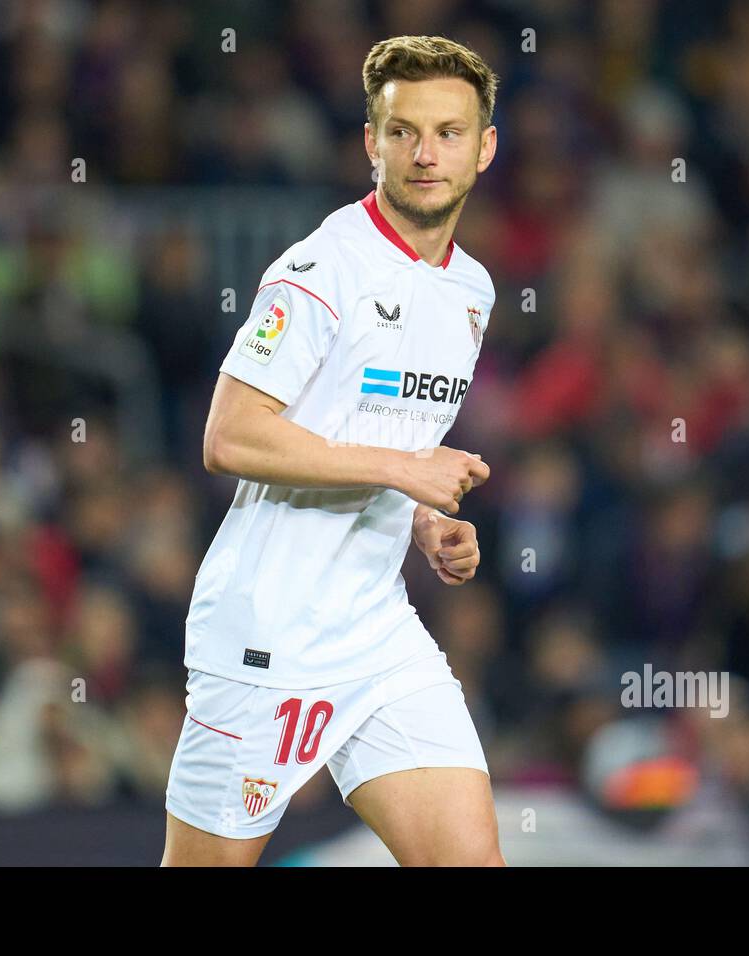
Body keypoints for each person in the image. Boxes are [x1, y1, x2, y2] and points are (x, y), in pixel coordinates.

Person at [161, 35, 504, 866]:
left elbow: (380, 431)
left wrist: (423, 518)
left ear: (485, 147)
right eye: (403, 132)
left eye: (450, 132)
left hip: (377, 631)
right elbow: (229, 436)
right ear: (370, 143)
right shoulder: (320, 270)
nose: (426, 154)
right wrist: (404, 472)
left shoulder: (472, 290)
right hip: (268, 632)